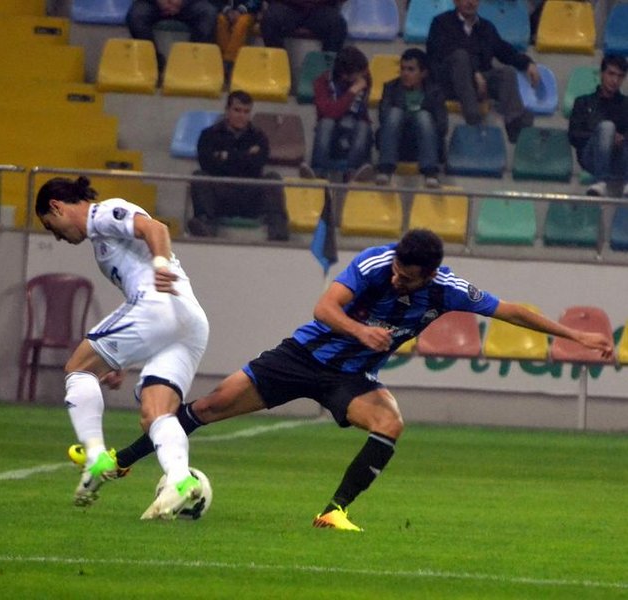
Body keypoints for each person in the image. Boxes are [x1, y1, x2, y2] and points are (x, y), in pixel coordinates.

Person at [106, 229, 614, 531]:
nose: (396, 278)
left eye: (407, 278)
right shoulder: (374, 262)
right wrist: (360, 330)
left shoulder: (447, 290)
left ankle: (334, 512)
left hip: (350, 377)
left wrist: (575, 335)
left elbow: (512, 312)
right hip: (302, 356)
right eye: (396, 270)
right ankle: (123, 460)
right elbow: (325, 307)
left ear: (428, 275)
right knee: (211, 406)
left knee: (390, 424)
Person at [35, 176, 210, 520]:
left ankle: (96, 457)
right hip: (187, 322)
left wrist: (161, 265)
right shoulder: (101, 240)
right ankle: (180, 479)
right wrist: (121, 359)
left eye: (49, 225)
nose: (56, 235)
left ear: (57, 207)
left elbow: (155, 228)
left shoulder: (103, 214)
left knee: (78, 368)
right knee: (156, 413)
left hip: (158, 306)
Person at [426, 0, 540, 143]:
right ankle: (474, 120)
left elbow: (504, 50)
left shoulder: (486, 27)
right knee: (460, 57)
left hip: (480, 85)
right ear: (455, 1)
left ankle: (515, 124)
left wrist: (528, 63)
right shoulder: (441, 23)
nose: (470, 2)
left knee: (507, 73)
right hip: (449, 83)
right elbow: (439, 54)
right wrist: (474, 72)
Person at [188, 90, 290, 241]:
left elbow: (256, 166)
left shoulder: (259, 136)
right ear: (227, 110)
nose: (242, 115)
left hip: (249, 194)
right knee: (199, 177)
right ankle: (205, 226)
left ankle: (278, 232)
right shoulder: (208, 135)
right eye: (237, 110)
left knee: (273, 179)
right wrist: (246, 156)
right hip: (220, 194)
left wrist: (226, 157)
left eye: (246, 111)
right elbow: (208, 165)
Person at [375, 48, 448, 189]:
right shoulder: (391, 88)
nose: (405, 73)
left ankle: (430, 173)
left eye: (411, 69)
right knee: (395, 112)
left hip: (425, 144)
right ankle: (384, 169)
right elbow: (384, 119)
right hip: (398, 142)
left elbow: (442, 126)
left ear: (423, 73)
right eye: (403, 69)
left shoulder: (435, 91)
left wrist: (420, 119)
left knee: (423, 116)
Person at [308, 46, 374, 181]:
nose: (364, 75)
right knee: (326, 123)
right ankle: (318, 172)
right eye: (360, 73)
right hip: (332, 134)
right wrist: (352, 92)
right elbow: (329, 113)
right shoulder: (322, 82)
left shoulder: (365, 78)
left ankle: (353, 173)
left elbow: (362, 113)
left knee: (363, 126)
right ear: (345, 75)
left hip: (356, 132)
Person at [567, 54, 628, 198]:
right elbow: (574, 135)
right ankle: (601, 181)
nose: (615, 80)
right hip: (591, 156)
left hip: (621, 156)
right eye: (611, 74)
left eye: (620, 76)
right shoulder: (583, 102)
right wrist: (603, 137)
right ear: (602, 73)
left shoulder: (626, 104)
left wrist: (622, 139)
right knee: (607, 128)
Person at [126, 0, 219, 75]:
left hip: (189, 3)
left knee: (208, 13)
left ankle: (193, 63)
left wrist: (182, 2)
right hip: (153, 3)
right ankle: (153, 62)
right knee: (136, 16)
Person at [260, 0, 347, 54]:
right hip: (287, 6)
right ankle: (279, 71)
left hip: (320, 8)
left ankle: (326, 72)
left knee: (337, 24)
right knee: (270, 19)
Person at [215, 0, 262, 78]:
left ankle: (229, 63)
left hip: (248, 12)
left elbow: (256, 2)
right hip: (227, 12)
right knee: (221, 20)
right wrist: (227, 11)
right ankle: (222, 61)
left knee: (242, 22)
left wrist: (241, 10)